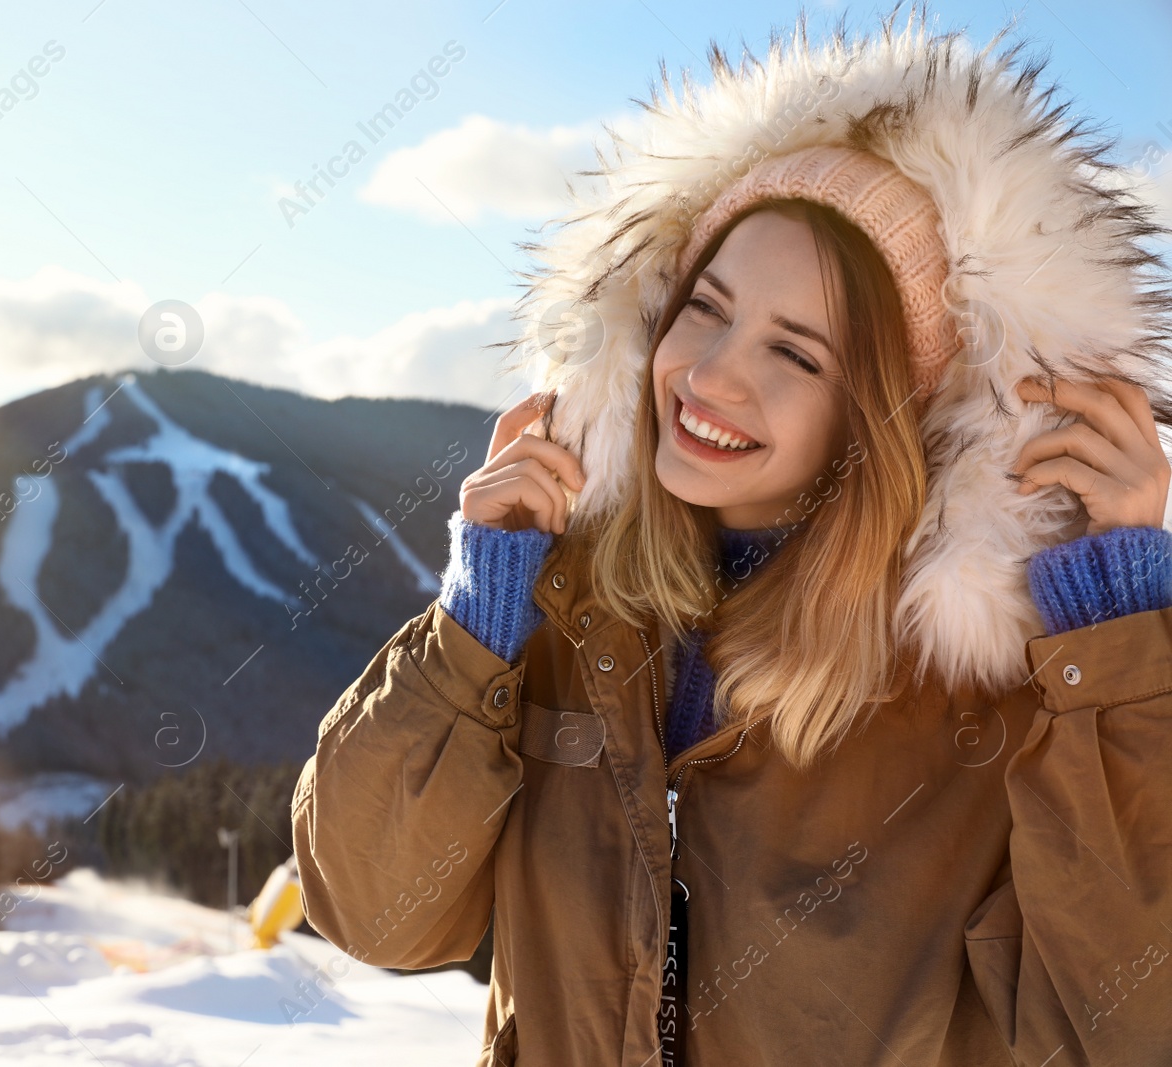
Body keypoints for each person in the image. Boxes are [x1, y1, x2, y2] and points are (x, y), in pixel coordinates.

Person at [290, 6, 1172, 1065]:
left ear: (879, 419)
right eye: (704, 308)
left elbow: (1132, 1022)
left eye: (795, 355)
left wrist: (1117, 648)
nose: (708, 376)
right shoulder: (567, 616)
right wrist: (477, 614)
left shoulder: (986, 695)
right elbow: (374, 911)